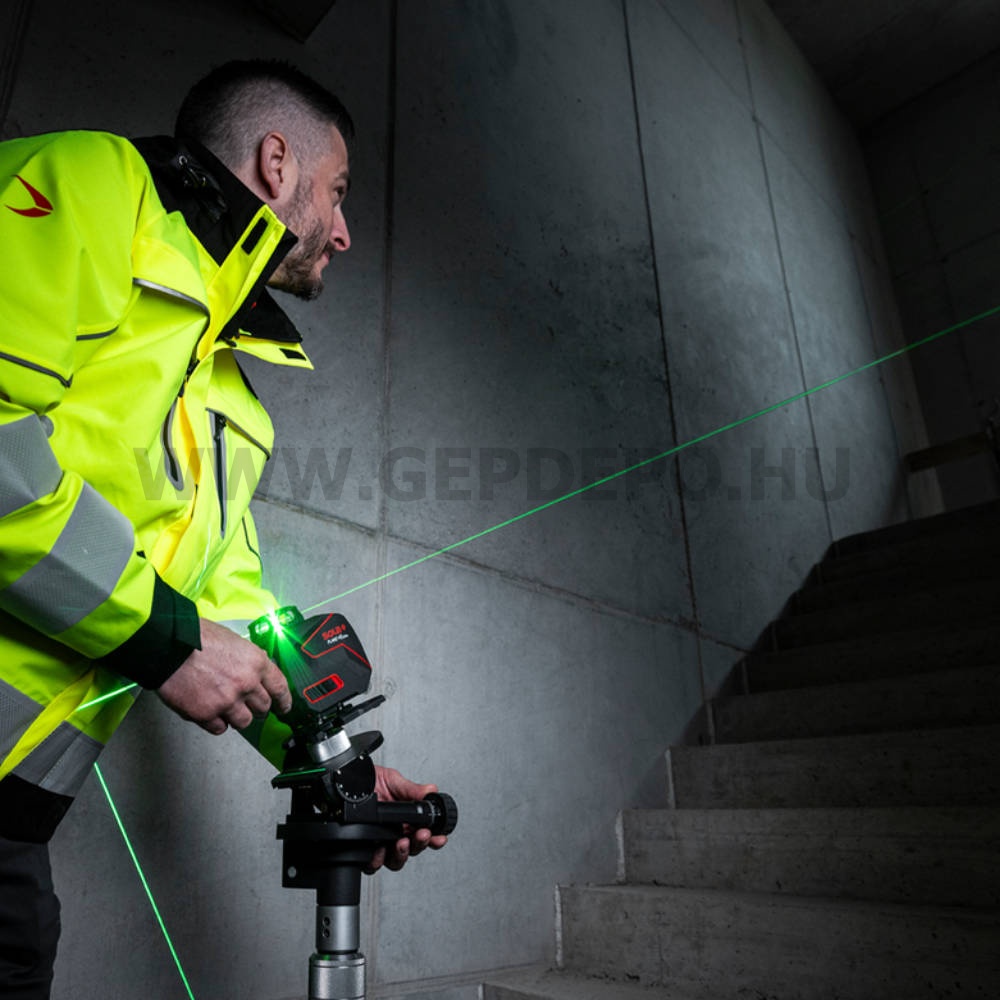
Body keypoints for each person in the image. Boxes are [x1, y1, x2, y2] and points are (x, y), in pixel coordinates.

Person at [0, 59, 446, 999]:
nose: (343, 231)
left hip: (17, 815)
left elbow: (230, 619)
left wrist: (339, 774)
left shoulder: (237, 408)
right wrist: (164, 639)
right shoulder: (91, 187)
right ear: (277, 163)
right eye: (337, 192)